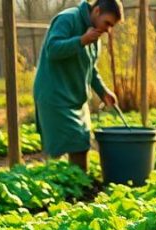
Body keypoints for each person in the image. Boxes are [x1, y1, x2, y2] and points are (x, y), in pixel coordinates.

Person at [33, 0, 122, 172]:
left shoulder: (95, 36)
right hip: (55, 96)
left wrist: (103, 92)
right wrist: (81, 40)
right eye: (107, 23)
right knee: (57, 151)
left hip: (76, 100)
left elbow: (90, 68)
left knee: (81, 145)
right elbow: (52, 49)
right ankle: (55, 191)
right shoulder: (68, 19)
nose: (108, 30)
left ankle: (79, 191)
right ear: (96, 11)